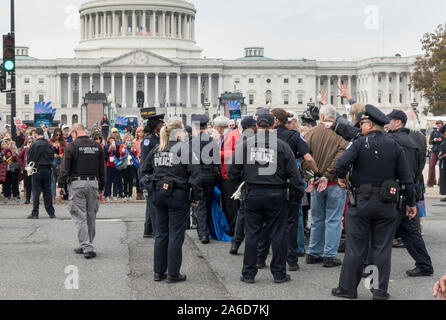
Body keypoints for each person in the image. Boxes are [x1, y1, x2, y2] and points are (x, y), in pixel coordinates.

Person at [332, 104, 417, 300]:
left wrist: (342, 177)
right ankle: (378, 291)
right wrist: (411, 203)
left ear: (370, 125)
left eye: (362, 123)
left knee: (356, 247)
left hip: (361, 201)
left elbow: (341, 163)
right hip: (387, 203)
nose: (360, 127)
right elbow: (407, 178)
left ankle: (348, 289)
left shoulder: (360, 143)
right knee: (381, 249)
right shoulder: (395, 145)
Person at [228, 112, 304, 284]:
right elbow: (294, 175)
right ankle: (278, 273)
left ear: (257, 126)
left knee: (253, 233)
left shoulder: (246, 145)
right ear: (272, 126)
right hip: (276, 192)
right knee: (278, 234)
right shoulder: (282, 146)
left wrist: (242, 183)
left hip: (254, 192)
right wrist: (296, 195)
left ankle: (248, 273)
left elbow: (232, 169)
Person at [256, 108, 318, 271]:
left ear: (275, 121)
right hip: (290, 180)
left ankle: (260, 258)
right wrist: (317, 173)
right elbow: (308, 158)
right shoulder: (294, 136)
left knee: (266, 222)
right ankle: (292, 259)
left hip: (269, 180)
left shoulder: (266, 137)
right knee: (292, 221)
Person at [140, 119, 202, 283]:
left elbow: (143, 170)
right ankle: (173, 273)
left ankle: (159, 272)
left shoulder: (157, 148)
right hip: (177, 194)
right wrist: (196, 197)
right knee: (176, 235)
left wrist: (150, 187)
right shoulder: (184, 149)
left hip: (159, 193)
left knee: (161, 234)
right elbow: (195, 175)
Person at [386, 109, 434, 277]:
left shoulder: (394, 141)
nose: (386, 122)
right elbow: (419, 166)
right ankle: (424, 264)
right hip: (409, 187)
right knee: (409, 230)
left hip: (398, 191)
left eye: (389, 120)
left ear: (398, 122)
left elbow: (399, 171)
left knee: (384, 232)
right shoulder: (417, 139)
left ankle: (370, 264)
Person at [303, 105, 349, 267]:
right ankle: (329, 254)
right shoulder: (341, 134)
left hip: (315, 182)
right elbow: (341, 158)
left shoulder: (311, 133)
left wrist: (313, 175)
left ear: (321, 117)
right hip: (335, 181)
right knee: (334, 219)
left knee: (317, 219)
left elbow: (303, 157)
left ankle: (314, 252)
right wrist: (327, 175)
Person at [57, 124, 105, 259]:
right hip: (94, 182)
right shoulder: (97, 146)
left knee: (79, 216)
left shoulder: (71, 146)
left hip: (77, 183)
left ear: (75, 132)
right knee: (91, 216)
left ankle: (87, 247)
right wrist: (102, 187)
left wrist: (60, 184)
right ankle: (86, 243)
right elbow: (102, 169)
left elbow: (64, 167)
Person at [230, 116, 258, 254]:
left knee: (242, 214)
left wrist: (237, 181)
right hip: (254, 181)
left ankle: (236, 243)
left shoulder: (242, 141)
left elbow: (233, 167)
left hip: (246, 181)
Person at [191, 115, 220, 244]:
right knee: (207, 203)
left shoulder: (191, 142)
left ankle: (203, 233)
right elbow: (216, 161)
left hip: (197, 175)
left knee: (200, 204)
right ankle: (207, 229)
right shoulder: (212, 141)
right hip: (210, 175)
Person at [139, 114, 165, 238]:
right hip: (149, 174)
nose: (162, 125)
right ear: (156, 125)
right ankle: (153, 229)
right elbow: (145, 160)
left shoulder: (157, 137)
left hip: (155, 173)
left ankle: (148, 229)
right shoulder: (148, 140)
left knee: (152, 203)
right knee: (152, 203)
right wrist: (146, 177)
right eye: (160, 123)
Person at [215, 115, 241, 236]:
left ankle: (233, 228)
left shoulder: (233, 135)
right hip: (224, 172)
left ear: (219, 127)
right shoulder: (225, 135)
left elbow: (235, 153)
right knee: (227, 202)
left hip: (230, 174)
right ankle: (230, 226)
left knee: (231, 204)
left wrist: (218, 153)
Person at [26, 128, 55, 219]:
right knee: (47, 191)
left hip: (36, 169)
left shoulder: (34, 144)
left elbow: (29, 158)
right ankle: (51, 212)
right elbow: (52, 157)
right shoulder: (49, 144)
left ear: (35, 134)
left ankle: (35, 213)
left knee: (36, 191)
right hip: (47, 169)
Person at [119, 133, 139, 202]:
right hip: (125, 165)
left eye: (129, 139)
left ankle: (130, 195)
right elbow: (121, 153)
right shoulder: (122, 145)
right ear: (124, 140)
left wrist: (133, 148)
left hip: (131, 165)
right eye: (127, 139)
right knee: (124, 180)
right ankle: (125, 194)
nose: (128, 141)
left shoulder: (132, 145)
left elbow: (135, 154)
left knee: (130, 180)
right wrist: (124, 147)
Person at [49, 128, 66, 205]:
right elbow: (46, 151)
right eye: (57, 134)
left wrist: (62, 155)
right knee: (52, 179)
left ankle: (60, 197)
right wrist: (52, 155)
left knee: (61, 180)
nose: (58, 136)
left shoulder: (63, 142)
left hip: (61, 161)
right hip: (52, 161)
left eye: (59, 135)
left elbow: (67, 152)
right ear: (54, 134)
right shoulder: (50, 141)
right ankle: (53, 197)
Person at [1, 139, 20, 204]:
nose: (3, 145)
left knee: (14, 183)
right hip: (4, 170)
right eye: (2, 144)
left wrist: (13, 150)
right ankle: (6, 196)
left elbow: (15, 158)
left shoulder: (10, 150)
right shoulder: (1, 152)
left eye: (5, 144)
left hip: (12, 169)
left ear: (7, 145)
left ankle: (15, 196)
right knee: (6, 184)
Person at [104, 136, 121, 201]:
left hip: (115, 165)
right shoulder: (106, 147)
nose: (111, 142)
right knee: (108, 181)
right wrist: (108, 150)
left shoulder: (117, 146)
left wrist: (115, 150)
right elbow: (105, 157)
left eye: (112, 141)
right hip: (108, 165)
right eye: (110, 141)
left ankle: (114, 195)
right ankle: (107, 195)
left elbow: (119, 156)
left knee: (115, 181)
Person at [17, 136, 34, 204]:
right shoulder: (25, 149)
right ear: (27, 143)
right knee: (27, 184)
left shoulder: (36, 148)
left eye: (32, 142)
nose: (31, 143)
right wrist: (22, 164)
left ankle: (35, 198)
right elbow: (19, 157)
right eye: (29, 142)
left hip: (34, 168)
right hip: (26, 168)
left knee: (35, 184)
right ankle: (28, 198)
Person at [428, 120, 444, 187]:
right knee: (431, 166)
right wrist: (434, 140)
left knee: (442, 167)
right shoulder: (433, 132)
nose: (438, 126)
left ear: (442, 125)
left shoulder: (444, 132)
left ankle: (440, 183)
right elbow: (430, 142)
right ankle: (430, 183)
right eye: (437, 125)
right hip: (434, 151)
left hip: (442, 152)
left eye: (440, 125)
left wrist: (442, 140)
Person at [133, 127, 145, 200]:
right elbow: (133, 152)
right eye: (139, 132)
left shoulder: (145, 140)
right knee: (138, 178)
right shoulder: (134, 141)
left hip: (144, 161)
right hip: (136, 161)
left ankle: (143, 192)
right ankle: (138, 193)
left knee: (143, 178)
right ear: (136, 133)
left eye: (142, 132)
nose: (140, 133)